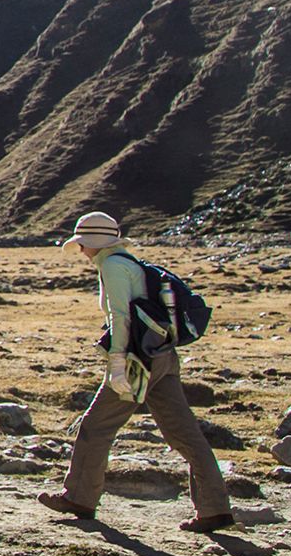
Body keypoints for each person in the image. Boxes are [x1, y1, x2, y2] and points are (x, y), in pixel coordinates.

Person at [39, 212, 234, 534]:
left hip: (138, 360)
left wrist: (117, 363)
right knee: (184, 434)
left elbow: (121, 318)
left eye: (84, 245)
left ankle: (79, 497)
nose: (83, 253)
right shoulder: (130, 262)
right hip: (163, 356)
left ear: (92, 244)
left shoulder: (113, 267)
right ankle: (215, 508)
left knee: (96, 426)